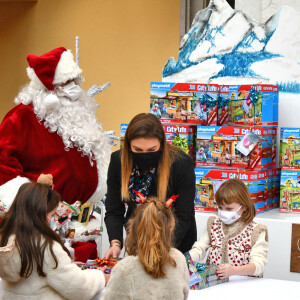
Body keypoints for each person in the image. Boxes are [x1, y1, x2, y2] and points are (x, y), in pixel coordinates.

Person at [0, 47, 111, 209]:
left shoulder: (76, 114)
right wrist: (34, 189)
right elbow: (3, 166)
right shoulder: (20, 118)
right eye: (67, 82)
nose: (74, 87)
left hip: (80, 213)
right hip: (39, 216)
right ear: (49, 87)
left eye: (75, 80)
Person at [105, 113, 197, 258]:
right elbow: (114, 210)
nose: (144, 155)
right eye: (138, 150)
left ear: (161, 144)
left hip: (174, 247)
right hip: (138, 243)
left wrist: (161, 250)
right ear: (128, 145)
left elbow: (184, 216)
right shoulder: (118, 161)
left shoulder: (180, 163)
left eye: (152, 150)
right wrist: (115, 243)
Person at [0, 182, 108, 299]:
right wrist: (100, 277)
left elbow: (38, 273)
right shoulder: (45, 246)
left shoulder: (8, 239)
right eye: (52, 215)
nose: (52, 220)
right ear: (41, 213)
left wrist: (65, 268)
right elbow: (78, 288)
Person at [102, 197, 190, 299]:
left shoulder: (124, 269)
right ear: (170, 232)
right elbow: (184, 295)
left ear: (133, 231)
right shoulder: (178, 260)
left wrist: (98, 279)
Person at [188, 178, 269, 279]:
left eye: (229, 209)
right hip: (215, 284)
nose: (223, 212)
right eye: (220, 208)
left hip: (244, 286)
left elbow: (258, 266)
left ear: (244, 207)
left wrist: (234, 270)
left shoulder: (257, 231)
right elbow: (199, 249)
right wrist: (184, 260)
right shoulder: (213, 224)